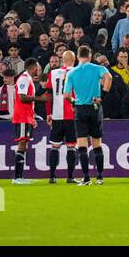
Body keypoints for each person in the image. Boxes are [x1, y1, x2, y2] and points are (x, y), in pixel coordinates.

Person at [66, 45, 112, 185]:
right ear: (90, 56)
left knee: (82, 144)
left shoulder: (72, 72)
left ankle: (86, 178)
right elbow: (108, 77)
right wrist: (102, 95)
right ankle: (99, 177)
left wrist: (73, 102)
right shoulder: (97, 68)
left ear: (78, 57)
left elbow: (67, 95)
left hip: (80, 109)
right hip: (95, 107)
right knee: (97, 143)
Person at [44, 53, 79, 184]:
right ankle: (70, 177)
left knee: (55, 146)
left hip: (57, 115)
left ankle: (52, 176)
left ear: (62, 60)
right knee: (71, 146)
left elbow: (48, 95)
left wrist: (48, 113)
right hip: (72, 115)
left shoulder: (53, 73)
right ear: (74, 60)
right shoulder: (77, 72)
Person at [11, 60, 41, 185]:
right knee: (22, 143)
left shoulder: (27, 78)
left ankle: (20, 177)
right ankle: (17, 177)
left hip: (27, 116)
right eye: (38, 67)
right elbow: (22, 97)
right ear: (33, 67)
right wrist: (40, 98)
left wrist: (33, 116)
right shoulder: (24, 78)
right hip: (22, 116)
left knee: (24, 144)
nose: (39, 69)